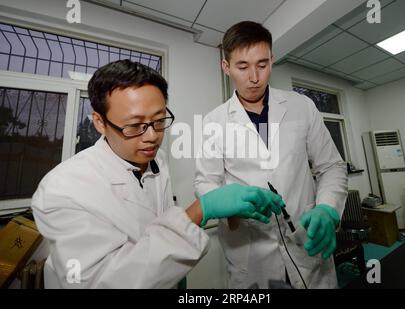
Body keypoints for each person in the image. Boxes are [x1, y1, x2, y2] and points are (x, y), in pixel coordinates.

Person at [31, 59, 284, 288]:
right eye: (134, 125)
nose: (152, 137)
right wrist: (198, 211)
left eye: (159, 120)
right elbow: (106, 282)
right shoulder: (62, 188)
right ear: (99, 122)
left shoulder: (157, 160)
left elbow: (156, 228)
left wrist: (173, 276)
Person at [194, 21, 348, 289]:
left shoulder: (302, 106)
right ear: (226, 67)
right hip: (251, 254)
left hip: (305, 245)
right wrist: (232, 208)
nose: (254, 77)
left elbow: (331, 166)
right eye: (242, 67)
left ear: (272, 61)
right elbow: (204, 181)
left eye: (262, 64)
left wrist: (327, 208)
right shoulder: (212, 122)